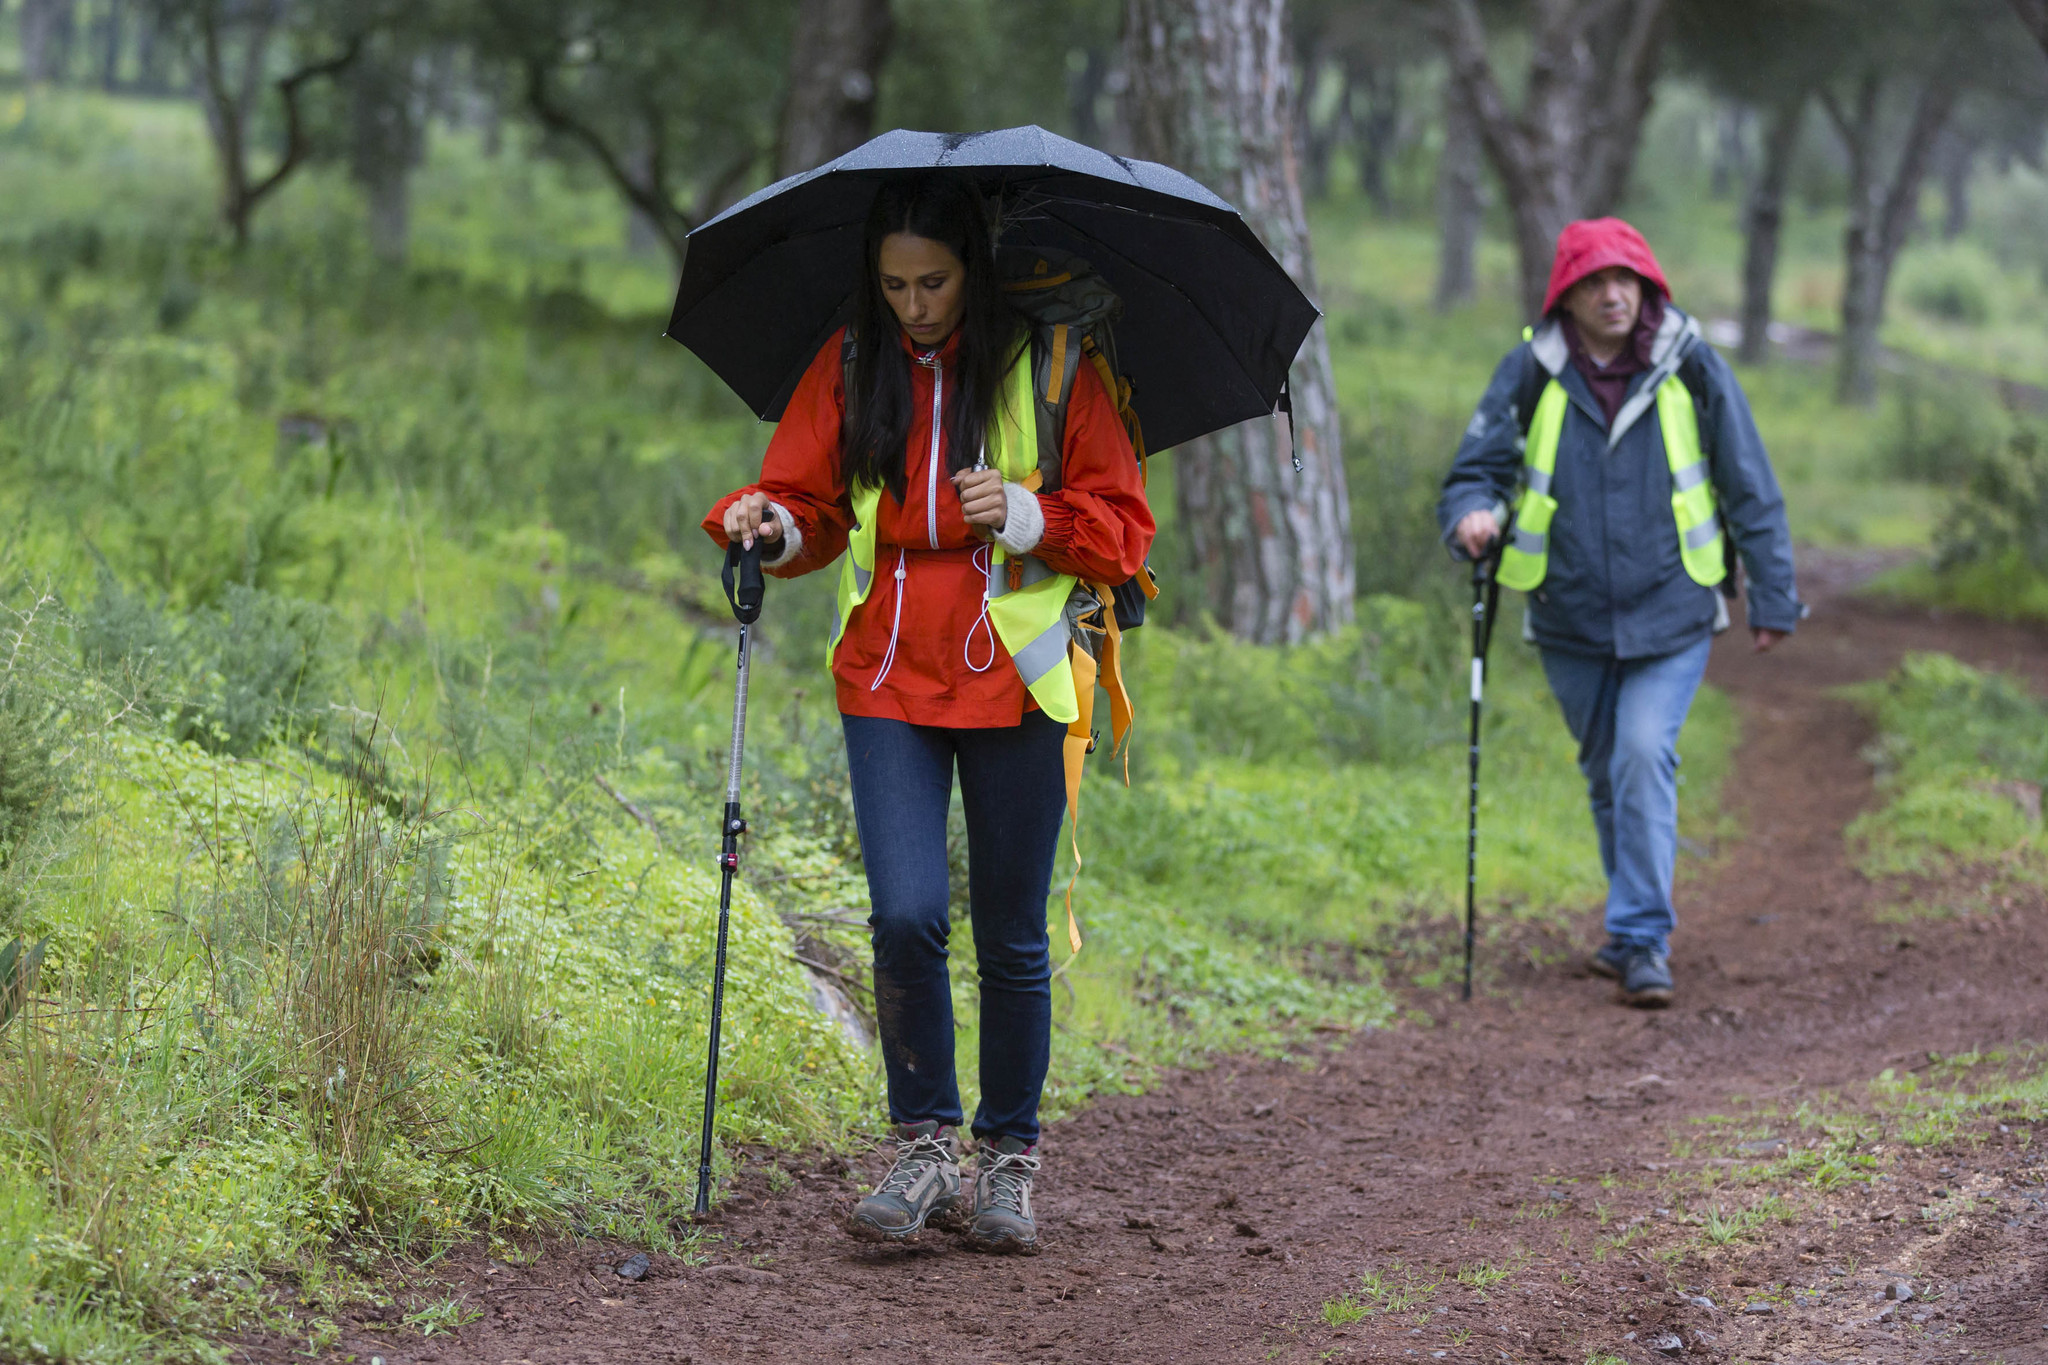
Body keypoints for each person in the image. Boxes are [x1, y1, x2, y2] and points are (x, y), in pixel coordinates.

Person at [704, 176, 1153, 1252]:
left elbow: (1125, 530)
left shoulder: (1051, 368)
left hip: (1019, 681)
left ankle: (1006, 1163)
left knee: (1008, 932)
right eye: (894, 283)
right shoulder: (852, 362)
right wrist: (760, 523)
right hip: (886, 678)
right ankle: (922, 1146)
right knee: (904, 915)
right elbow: (808, 509)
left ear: (973, 273)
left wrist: (1031, 512)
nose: (913, 304)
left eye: (935, 282)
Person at [1437, 217, 1801, 1009]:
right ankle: (1628, 927)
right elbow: (1476, 469)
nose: (1613, 295)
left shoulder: (1691, 365)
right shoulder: (1532, 370)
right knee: (1610, 775)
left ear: (1648, 290)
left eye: (1626, 281)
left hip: (1672, 607)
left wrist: (1773, 594)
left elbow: (1748, 481)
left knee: (1640, 755)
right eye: (1596, 283)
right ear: (1566, 296)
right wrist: (1472, 513)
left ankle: (1642, 939)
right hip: (1567, 615)